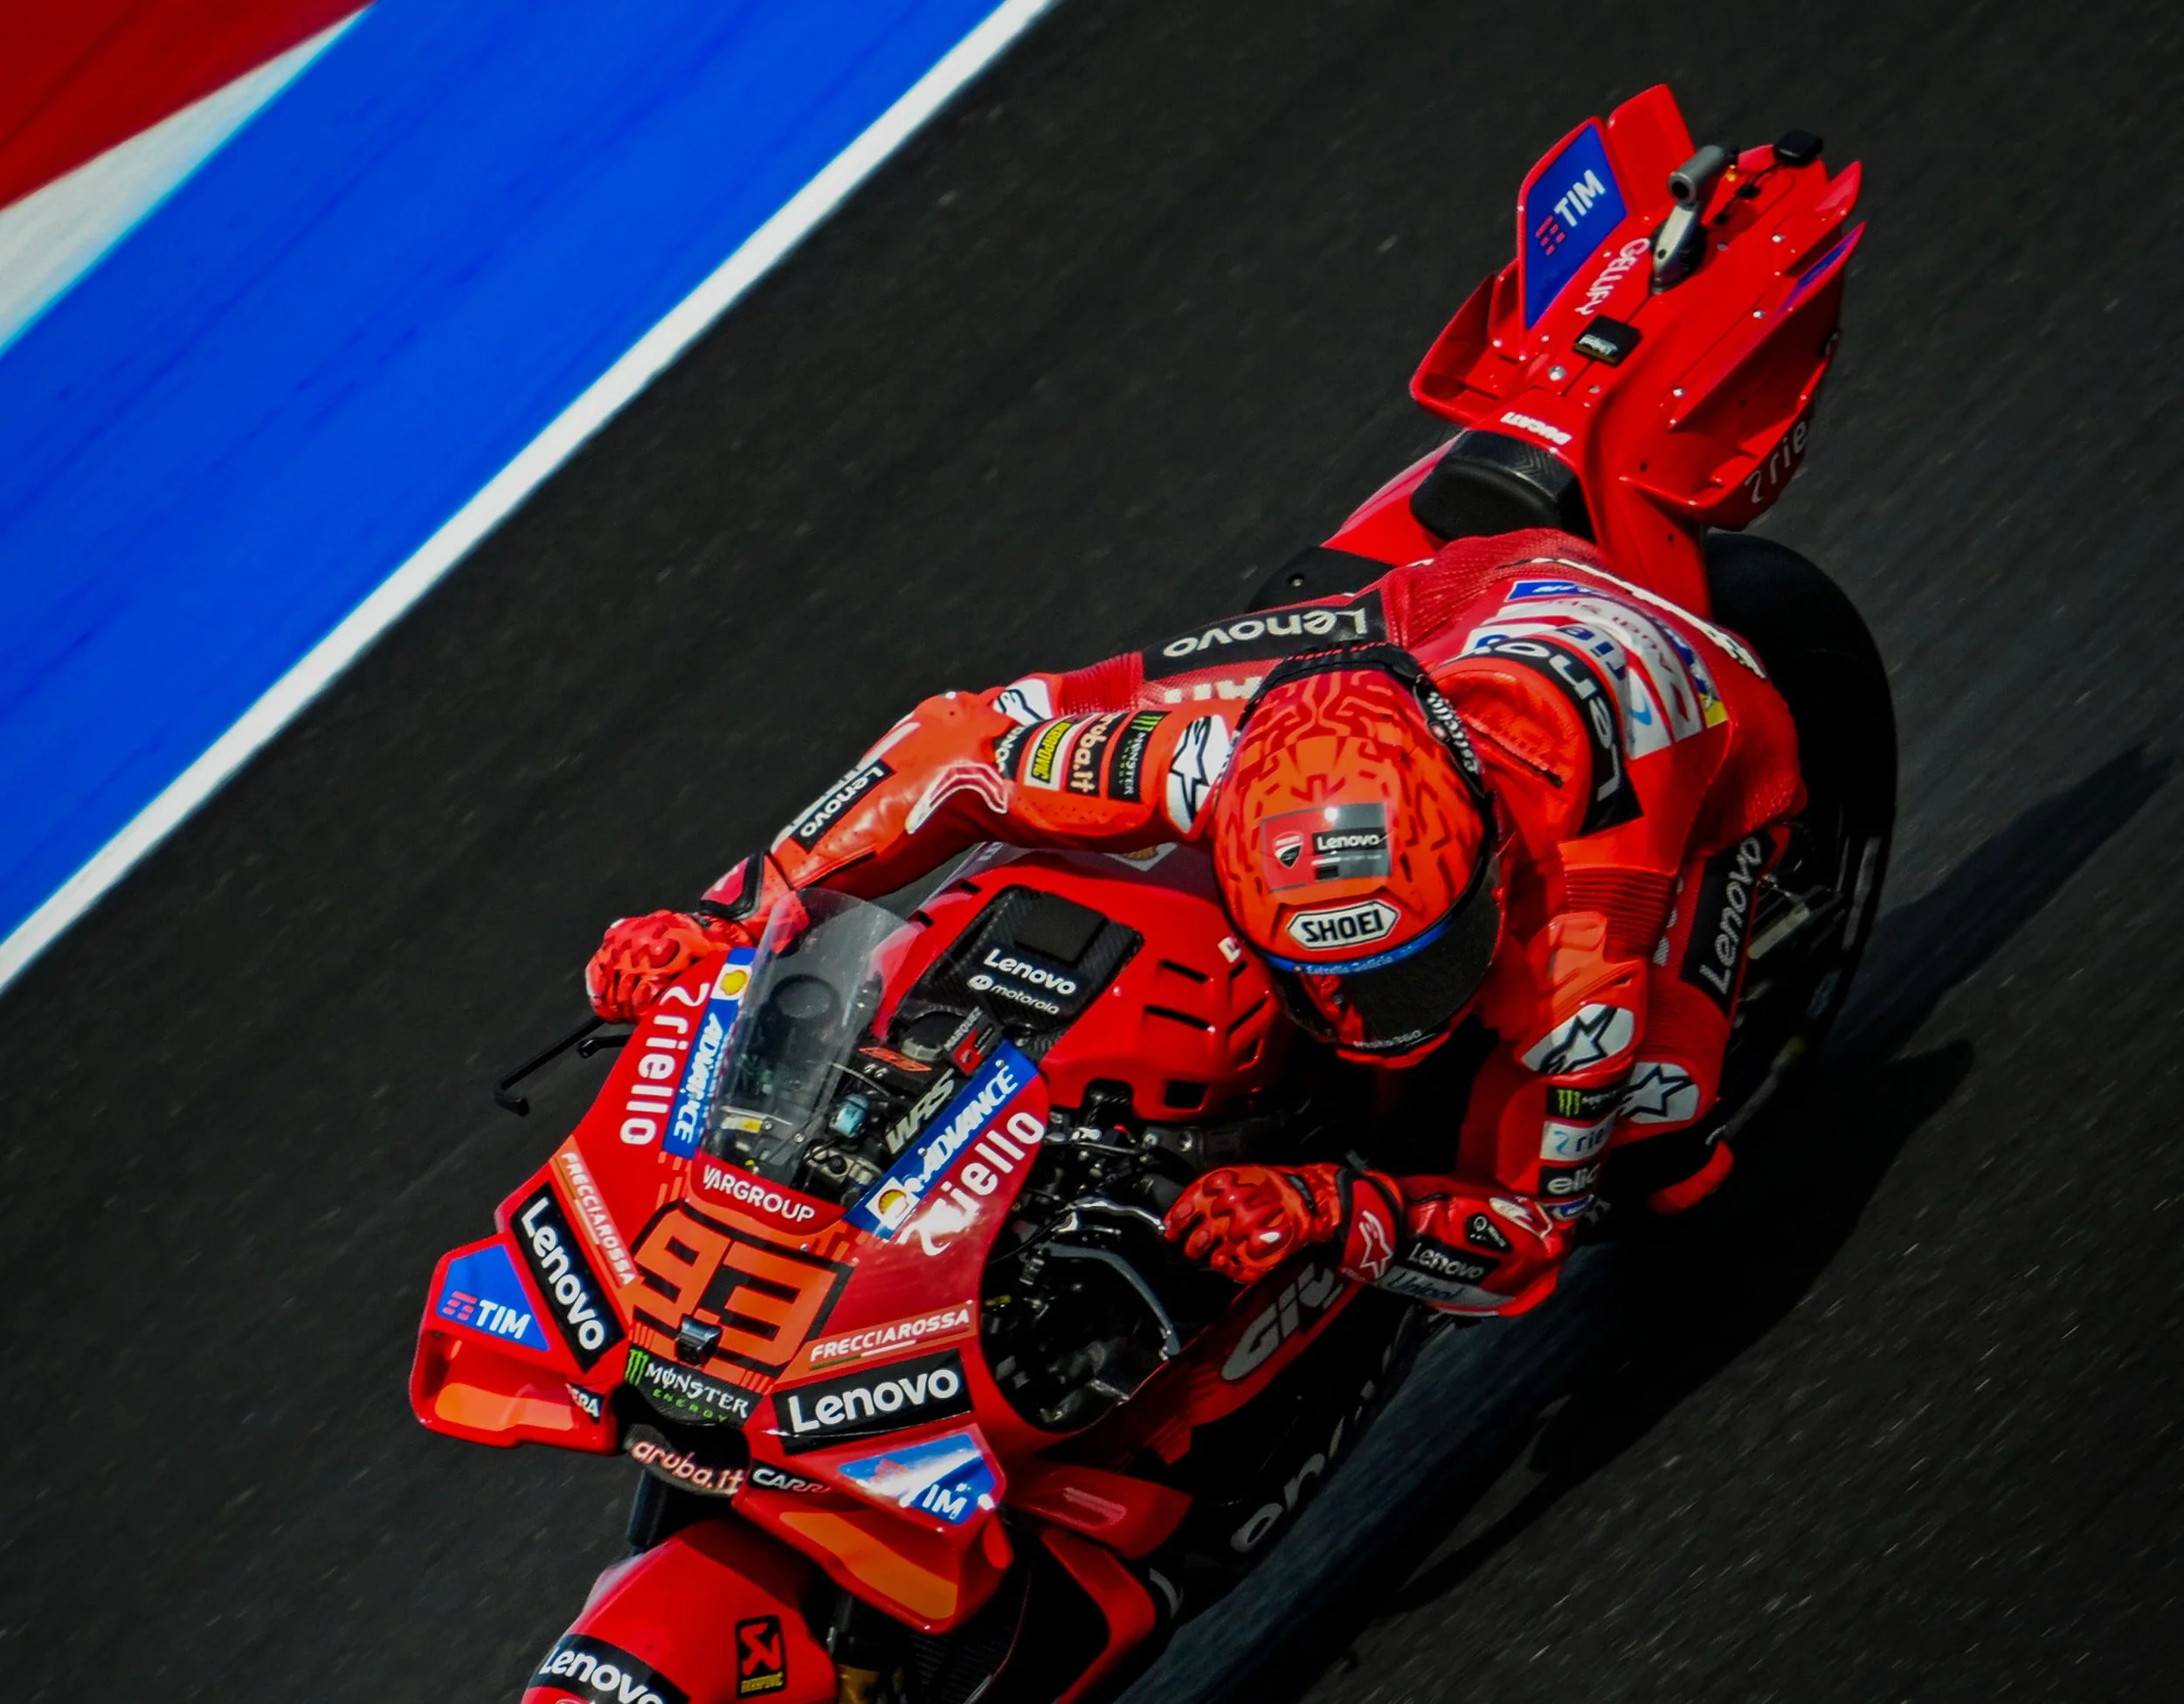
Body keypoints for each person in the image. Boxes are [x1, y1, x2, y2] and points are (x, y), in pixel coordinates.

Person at [584, 524, 1803, 1322]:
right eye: (1328, 983)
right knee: (1063, 718)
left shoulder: (1581, 953)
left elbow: (1529, 1243)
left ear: (1486, 880)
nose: (1362, 1021)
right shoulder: (1217, 766)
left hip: (1711, 739)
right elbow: (956, 751)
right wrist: (732, 914)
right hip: (1440, 614)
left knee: (1662, 1157)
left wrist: (1342, 1212)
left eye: (1406, 972)